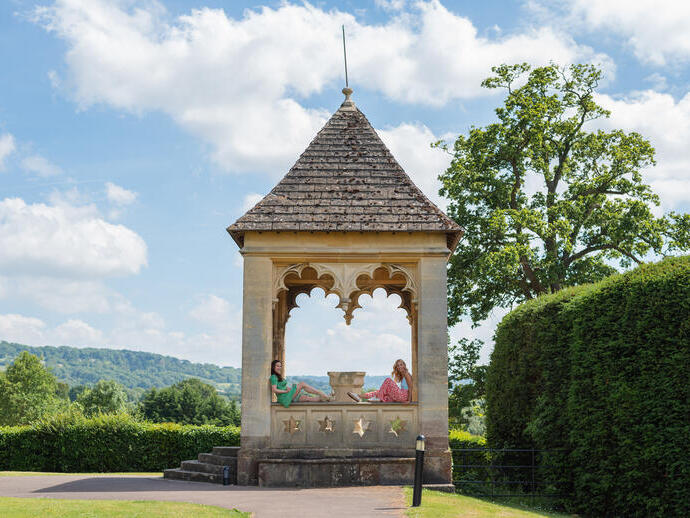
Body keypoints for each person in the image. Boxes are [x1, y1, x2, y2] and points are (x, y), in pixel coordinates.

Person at [348, 359, 412, 403]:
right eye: (398, 365)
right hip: (401, 395)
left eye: (401, 365)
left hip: (403, 396)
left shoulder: (407, 374)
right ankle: (359, 396)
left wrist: (409, 400)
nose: (399, 367)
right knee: (378, 392)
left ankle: (379, 397)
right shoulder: (403, 375)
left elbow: (410, 387)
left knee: (388, 380)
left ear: (404, 365)